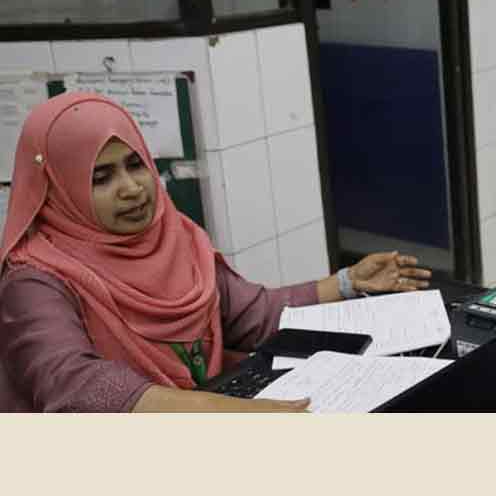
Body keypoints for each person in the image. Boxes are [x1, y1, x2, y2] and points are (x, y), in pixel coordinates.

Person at [0, 92, 432, 412]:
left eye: (135, 165)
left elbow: (252, 314)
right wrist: (226, 414)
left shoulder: (176, 238)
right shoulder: (34, 279)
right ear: (58, 188)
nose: (130, 189)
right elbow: (73, 386)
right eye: (101, 178)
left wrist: (347, 282)